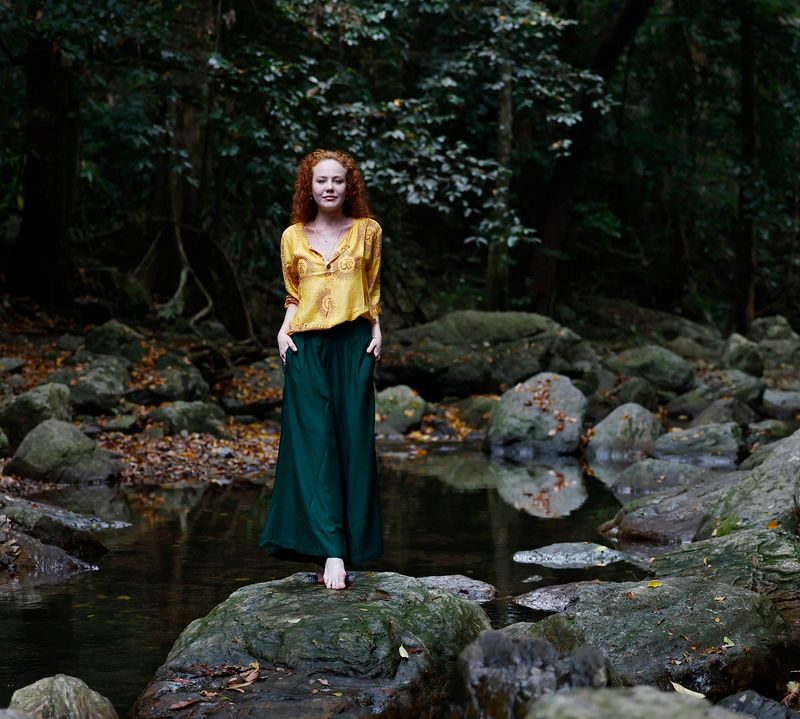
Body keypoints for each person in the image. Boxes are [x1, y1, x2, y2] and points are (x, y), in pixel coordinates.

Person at [259, 149, 383, 590]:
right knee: (314, 444)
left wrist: (378, 328)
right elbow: (294, 293)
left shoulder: (368, 231)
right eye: (320, 181)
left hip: (353, 344)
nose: (329, 187)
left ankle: (346, 547)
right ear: (308, 188)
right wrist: (282, 330)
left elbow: (371, 287)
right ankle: (330, 552)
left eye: (337, 180)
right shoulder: (293, 236)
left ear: (349, 186)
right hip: (305, 345)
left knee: (351, 441)